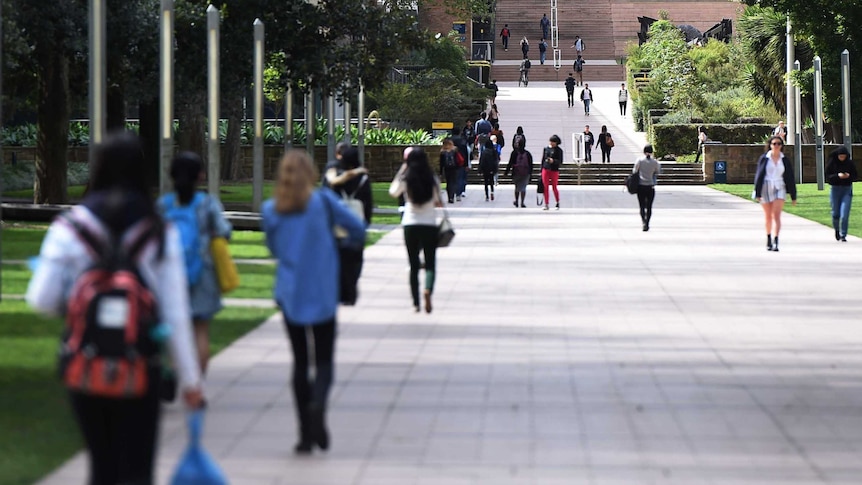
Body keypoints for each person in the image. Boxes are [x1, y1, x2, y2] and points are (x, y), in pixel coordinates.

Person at [26, 131, 204, 484]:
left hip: (86, 361)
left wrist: (79, 302)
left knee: (102, 467)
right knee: (138, 469)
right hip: (141, 363)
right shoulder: (158, 230)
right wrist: (190, 380)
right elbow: (175, 312)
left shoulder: (71, 228)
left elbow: (41, 299)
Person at [262, 149, 366, 454]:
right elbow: (358, 228)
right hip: (322, 288)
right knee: (323, 359)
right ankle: (318, 404)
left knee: (299, 361)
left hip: (291, 291)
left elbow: (273, 248)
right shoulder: (323, 201)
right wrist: (342, 244)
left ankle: (305, 435)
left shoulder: (271, 209)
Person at [158, 151, 233, 375]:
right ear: (200, 176)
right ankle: (195, 386)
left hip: (171, 273)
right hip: (203, 272)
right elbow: (224, 232)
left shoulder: (164, 205)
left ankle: (173, 373)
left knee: (174, 328)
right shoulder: (208, 204)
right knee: (200, 329)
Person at [389, 147, 442, 313]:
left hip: (410, 223)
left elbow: (393, 192)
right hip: (429, 224)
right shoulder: (432, 178)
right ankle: (428, 290)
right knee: (430, 263)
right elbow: (438, 201)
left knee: (413, 264)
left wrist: (402, 170)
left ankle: (416, 303)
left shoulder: (406, 177)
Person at [326, 147, 373, 305]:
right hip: (357, 221)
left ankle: (340, 288)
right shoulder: (363, 178)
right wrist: (366, 220)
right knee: (356, 257)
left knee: (338, 255)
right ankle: (352, 284)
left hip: (338, 223)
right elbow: (368, 201)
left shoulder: (336, 176)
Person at [753, 135, 797, 252]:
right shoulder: (764, 158)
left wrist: (793, 195)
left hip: (779, 187)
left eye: (779, 144)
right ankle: (768, 237)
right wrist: (757, 192)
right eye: (774, 144)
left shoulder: (784, 160)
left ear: (781, 146)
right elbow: (759, 175)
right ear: (770, 145)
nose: (776, 146)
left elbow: (790, 178)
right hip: (765, 187)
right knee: (768, 216)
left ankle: (776, 240)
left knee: (776, 215)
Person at [825, 146, 856, 242]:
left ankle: (843, 234)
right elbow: (827, 176)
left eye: (844, 156)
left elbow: (855, 175)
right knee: (835, 213)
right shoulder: (832, 163)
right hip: (835, 189)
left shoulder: (850, 163)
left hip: (847, 190)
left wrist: (848, 176)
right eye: (840, 156)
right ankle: (837, 230)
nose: (842, 158)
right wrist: (838, 176)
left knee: (844, 214)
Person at [632, 144, 662, 231]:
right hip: (650, 186)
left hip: (641, 186)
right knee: (649, 206)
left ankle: (643, 222)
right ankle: (647, 223)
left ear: (644, 151)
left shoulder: (640, 160)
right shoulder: (655, 162)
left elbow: (634, 170)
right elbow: (658, 171)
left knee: (641, 206)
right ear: (652, 152)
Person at [505, 134, 533, 208]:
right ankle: (522, 202)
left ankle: (516, 201)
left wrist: (506, 172)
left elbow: (510, 163)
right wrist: (530, 174)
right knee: (523, 187)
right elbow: (531, 165)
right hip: (525, 173)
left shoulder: (514, 153)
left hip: (516, 172)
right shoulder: (528, 154)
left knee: (517, 187)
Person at [541, 134, 563, 210]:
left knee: (554, 187)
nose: (551, 143)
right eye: (550, 141)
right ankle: (546, 204)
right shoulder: (546, 149)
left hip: (554, 170)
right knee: (545, 187)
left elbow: (560, 161)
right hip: (546, 169)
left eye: (553, 142)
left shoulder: (559, 150)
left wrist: (553, 161)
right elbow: (543, 159)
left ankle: (557, 202)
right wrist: (541, 170)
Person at [439, 138, 461, 204]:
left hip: (446, 168)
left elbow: (441, 163)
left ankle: (449, 197)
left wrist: (440, 172)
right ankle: (452, 196)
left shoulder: (442, 152)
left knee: (448, 183)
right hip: (454, 168)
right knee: (453, 182)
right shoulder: (455, 150)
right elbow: (457, 160)